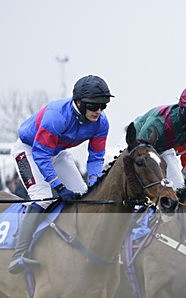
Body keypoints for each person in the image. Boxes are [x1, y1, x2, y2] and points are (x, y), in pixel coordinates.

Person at [8, 74, 113, 274]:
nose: (98, 111)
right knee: (43, 197)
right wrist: (58, 186)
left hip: (57, 152)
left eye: (103, 106)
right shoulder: (56, 116)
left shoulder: (101, 123)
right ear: (79, 103)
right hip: (30, 150)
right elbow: (40, 154)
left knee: (85, 196)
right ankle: (18, 254)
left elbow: (96, 158)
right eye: (94, 106)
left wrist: (95, 183)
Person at [132, 84, 186, 191]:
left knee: (179, 188)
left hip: (163, 148)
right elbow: (140, 155)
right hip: (136, 144)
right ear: (184, 111)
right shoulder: (158, 123)